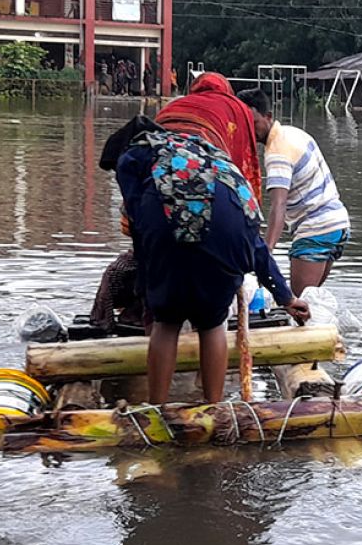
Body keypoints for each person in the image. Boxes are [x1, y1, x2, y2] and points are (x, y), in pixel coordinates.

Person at [101, 116, 309, 404]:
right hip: (234, 228)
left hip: (171, 226)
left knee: (167, 321)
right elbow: (253, 240)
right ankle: (214, 408)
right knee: (212, 322)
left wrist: (149, 291)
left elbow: (139, 225)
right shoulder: (204, 151)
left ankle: (156, 410)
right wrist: (285, 297)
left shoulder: (131, 155)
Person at [236, 89, 350, 298]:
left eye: (254, 123)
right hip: (337, 225)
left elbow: (278, 205)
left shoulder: (277, 152)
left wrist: (266, 254)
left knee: (297, 305)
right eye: (245, 125)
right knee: (312, 301)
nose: (250, 130)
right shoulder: (294, 133)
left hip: (316, 229)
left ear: (268, 116)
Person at [154, 72, 263, 194]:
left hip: (157, 164)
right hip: (205, 170)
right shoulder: (235, 107)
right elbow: (243, 158)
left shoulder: (173, 105)